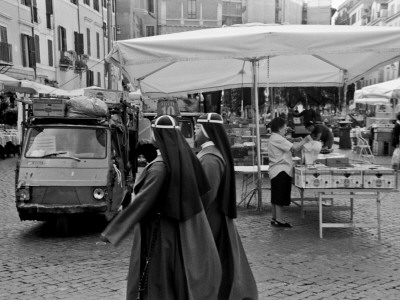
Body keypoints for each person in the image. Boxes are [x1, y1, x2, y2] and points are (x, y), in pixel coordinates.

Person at [101, 115, 222, 300]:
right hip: (172, 229)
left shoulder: (159, 167)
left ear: (158, 136)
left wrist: (114, 230)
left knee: (156, 277)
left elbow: (143, 201)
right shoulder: (181, 160)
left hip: (157, 231)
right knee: (168, 276)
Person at [195, 113, 258, 300]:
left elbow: (206, 194)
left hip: (209, 218)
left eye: (199, 128)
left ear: (207, 131)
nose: (196, 132)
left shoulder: (210, 159)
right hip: (215, 217)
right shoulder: (211, 155)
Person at [268, 117, 313, 227]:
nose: (286, 129)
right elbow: (295, 149)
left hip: (276, 170)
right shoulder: (277, 138)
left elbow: (286, 141)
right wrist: (305, 140)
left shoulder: (275, 137)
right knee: (279, 196)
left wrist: (293, 140)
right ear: (279, 128)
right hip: (281, 170)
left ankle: (275, 217)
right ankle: (279, 219)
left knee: (275, 195)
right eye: (284, 127)